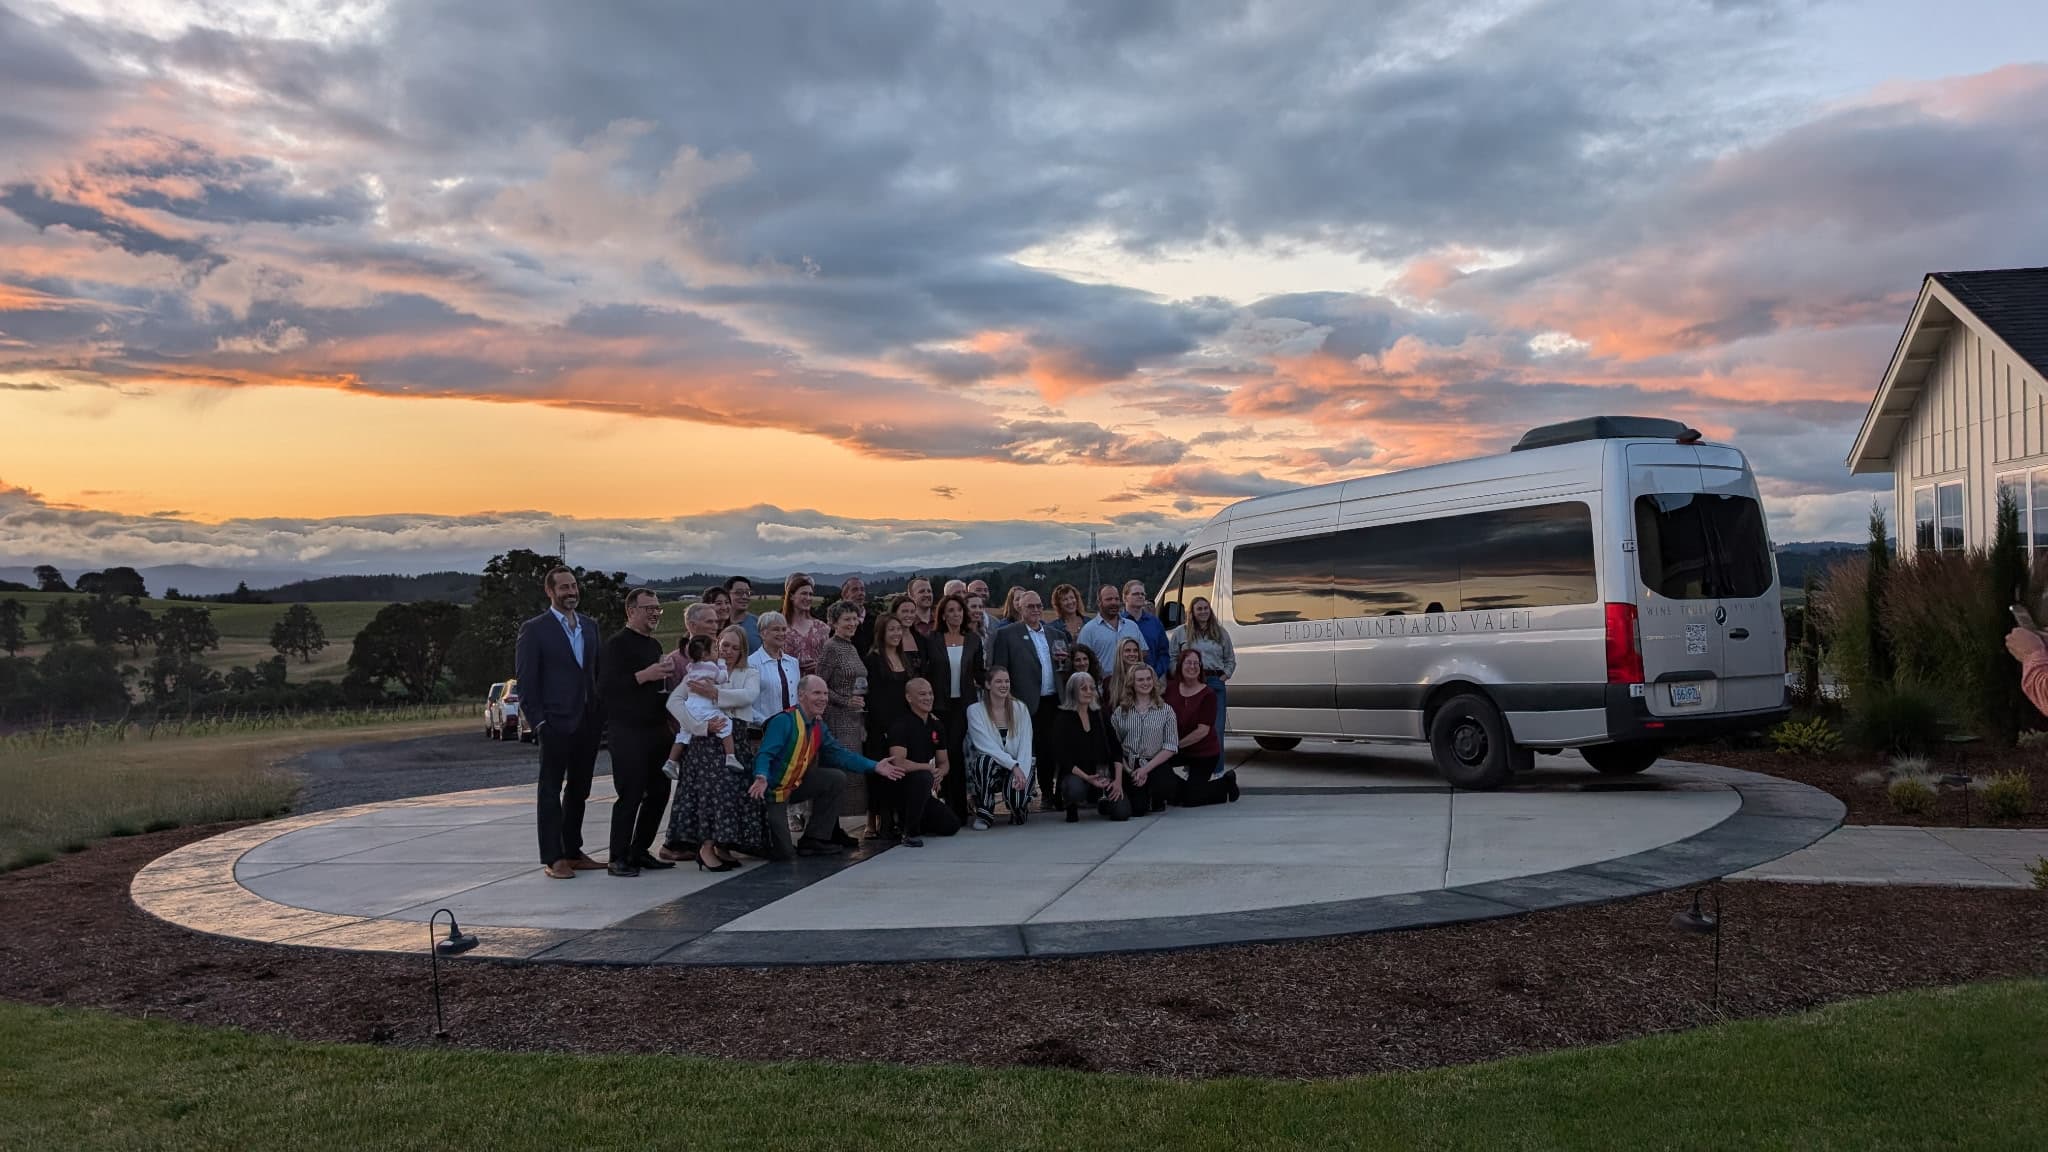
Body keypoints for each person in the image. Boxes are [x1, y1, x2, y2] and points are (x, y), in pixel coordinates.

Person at [751, 675, 908, 858]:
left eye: (825, 693)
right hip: (770, 792)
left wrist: (874, 766)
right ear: (801, 695)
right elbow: (765, 754)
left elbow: (839, 754)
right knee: (785, 854)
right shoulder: (784, 721)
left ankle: (814, 838)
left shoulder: (818, 725)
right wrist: (761, 776)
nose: (823, 698)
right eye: (817, 693)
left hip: (793, 787)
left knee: (835, 778)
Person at [514, 566, 606, 880]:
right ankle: (554, 858)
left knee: (580, 789)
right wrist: (539, 722)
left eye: (574, 586)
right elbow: (526, 682)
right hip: (554, 722)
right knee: (550, 791)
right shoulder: (535, 629)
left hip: (587, 722)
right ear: (550, 592)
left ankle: (573, 850)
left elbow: (595, 674)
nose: (571, 592)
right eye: (564, 587)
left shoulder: (590, 626)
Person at [662, 625, 766, 867]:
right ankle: (706, 847)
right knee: (714, 793)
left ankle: (723, 844)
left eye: (734, 647)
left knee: (733, 793)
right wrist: (699, 726)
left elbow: (748, 695)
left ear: (742, 650)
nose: (728, 651)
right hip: (705, 744)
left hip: (735, 737)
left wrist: (714, 693)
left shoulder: (748, 672)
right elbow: (674, 702)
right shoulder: (698, 672)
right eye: (724, 646)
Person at [596, 588, 678, 877]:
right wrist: (645, 676)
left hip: (656, 729)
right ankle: (617, 857)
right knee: (630, 794)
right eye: (649, 608)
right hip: (628, 731)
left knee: (659, 792)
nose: (655, 613)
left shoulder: (653, 645)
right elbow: (605, 688)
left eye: (658, 608)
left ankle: (640, 849)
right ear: (631, 611)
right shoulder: (616, 645)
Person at [990, 589, 1069, 806]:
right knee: (1024, 751)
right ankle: (1019, 795)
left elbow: (1066, 668)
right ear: (1019, 608)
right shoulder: (1007, 634)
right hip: (1023, 702)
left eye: (1038, 606)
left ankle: (1051, 794)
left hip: (1054, 700)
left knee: (1052, 749)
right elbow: (1000, 670)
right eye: (1030, 606)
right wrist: (1007, 700)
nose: (1035, 610)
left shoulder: (1056, 635)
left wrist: (1065, 661)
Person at [922, 592, 985, 821]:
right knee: (942, 754)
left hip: (964, 705)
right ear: (943, 615)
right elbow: (926, 672)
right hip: (939, 705)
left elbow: (979, 671)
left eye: (959, 610)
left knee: (956, 753)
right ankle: (946, 804)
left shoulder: (973, 639)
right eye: (950, 610)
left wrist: (998, 680)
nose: (956, 614)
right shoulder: (933, 639)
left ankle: (959, 806)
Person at [884, 678, 965, 846]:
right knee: (922, 777)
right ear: (909, 698)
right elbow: (897, 763)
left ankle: (917, 821)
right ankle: (909, 832)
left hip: (925, 788)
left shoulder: (936, 725)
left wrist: (939, 773)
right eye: (922, 694)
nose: (928, 698)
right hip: (902, 786)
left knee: (952, 825)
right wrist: (928, 768)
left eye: (930, 693)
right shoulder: (901, 724)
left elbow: (944, 763)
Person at [1048, 671, 1132, 822]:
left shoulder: (1100, 713)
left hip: (1103, 773)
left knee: (1122, 813)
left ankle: (1104, 802)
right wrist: (1087, 778)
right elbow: (1062, 757)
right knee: (1074, 789)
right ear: (1073, 691)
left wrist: (1118, 781)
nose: (1088, 692)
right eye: (1083, 688)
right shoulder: (1062, 718)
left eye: (1091, 688)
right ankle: (1071, 806)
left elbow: (1116, 748)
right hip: (1077, 774)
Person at [1167, 647, 1239, 806]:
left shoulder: (1208, 694)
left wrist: (1173, 747)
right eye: (1188, 663)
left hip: (1203, 753)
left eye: (1196, 664)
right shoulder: (1170, 689)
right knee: (1159, 768)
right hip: (1178, 748)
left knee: (1190, 800)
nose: (1192, 667)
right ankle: (1180, 791)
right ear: (1180, 665)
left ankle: (1225, 783)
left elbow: (1202, 731)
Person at [965, 665, 1034, 828]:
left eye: (1007, 681)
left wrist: (1021, 772)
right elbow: (985, 746)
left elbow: (1026, 745)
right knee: (983, 761)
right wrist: (1013, 766)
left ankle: (1019, 808)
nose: (1004, 685)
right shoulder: (975, 710)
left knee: (1017, 802)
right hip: (994, 767)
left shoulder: (1020, 708)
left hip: (1019, 766)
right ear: (988, 685)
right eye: (998, 682)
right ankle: (985, 813)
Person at [1112, 663, 1178, 816]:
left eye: (1148, 679)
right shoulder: (1121, 712)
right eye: (1140, 680)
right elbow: (1115, 746)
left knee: (1167, 787)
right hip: (1129, 764)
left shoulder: (1166, 710)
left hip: (1154, 762)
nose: (1145, 683)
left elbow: (1170, 746)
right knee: (1138, 810)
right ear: (1132, 683)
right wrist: (1131, 771)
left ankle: (1156, 796)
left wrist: (1145, 769)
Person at [1172, 595, 1236, 746]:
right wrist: (1179, 676)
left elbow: (1230, 659)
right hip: (1190, 683)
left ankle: (1218, 769)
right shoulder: (1181, 632)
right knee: (1191, 727)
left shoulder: (1220, 632)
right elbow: (1173, 656)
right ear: (1192, 612)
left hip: (1214, 681)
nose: (1203, 612)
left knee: (1216, 728)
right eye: (1199, 609)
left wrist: (1224, 676)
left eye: (1206, 608)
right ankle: (1191, 767)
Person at [674, 633, 743, 772]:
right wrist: (722, 663)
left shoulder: (691, 666)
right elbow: (723, 678)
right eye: (715, 649)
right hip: (704, 706)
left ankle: (671, 761)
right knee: (725, 724)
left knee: (683, 734)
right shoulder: (711, 667)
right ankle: (730, 756)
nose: (719, 652)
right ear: (705, 654)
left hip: (690, 706)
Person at [819, 601, 868, 759]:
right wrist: (845, 701)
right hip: (836, 721)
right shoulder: (830, 647)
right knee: (845, 770)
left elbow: (859, 683)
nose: (852, 623)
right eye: (847, 619)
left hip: (855, 719)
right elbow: (819, 686)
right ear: (834, 623)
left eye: (855, 619)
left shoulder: (852, 648)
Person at [1077, 583, 1148, 673]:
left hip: (1130, 683)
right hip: (1103, 684)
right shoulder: (1088, 630)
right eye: (1109, 599)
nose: (1113, 602)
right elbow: (1081, 661)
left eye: (1116, 599)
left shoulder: (1132, 626)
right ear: (1099, 602)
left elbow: (1143, 652)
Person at [747, 611, 803, 722]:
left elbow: (797, 697)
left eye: (783, 629)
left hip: (792, 728)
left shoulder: (793, 662)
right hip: (762, 730)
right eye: (776, 629)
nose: (782, 633)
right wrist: (766, 723)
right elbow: (746, 703)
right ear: (763, 633)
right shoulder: (751, 663)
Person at [782, 573, 828, 677]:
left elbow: (831, 662)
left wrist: (820, 666)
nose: (808, 598)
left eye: (810, 594)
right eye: (804, 593)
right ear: (791, 596)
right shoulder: (779, 626)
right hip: (786, 684)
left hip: (815, 685)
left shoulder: (822, 628)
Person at [1125, 580, 1172, 680]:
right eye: (1136, 594)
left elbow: (1164, 653)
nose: (1140, 596)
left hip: (1151, 680)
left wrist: (1155, 673)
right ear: (1125, 597)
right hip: (1124, 680)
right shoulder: (1119, 623)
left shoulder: (1155, 623)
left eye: (1143, 594)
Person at [1103, 636, 1146, 719]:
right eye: (1127, 650)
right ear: (1120, 654)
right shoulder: (1108, 682)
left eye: (1135, 650)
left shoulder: (1147, 678)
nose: (1132, 654)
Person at [725, 575, 760, 653]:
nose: (744, 597)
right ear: (727, 595)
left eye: (748, 593)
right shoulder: (717, 623)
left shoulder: (758, 624)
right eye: (739, 593)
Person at [841, 576, 875, 653]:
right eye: (855, 590)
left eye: (862, 590)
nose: (860, 593)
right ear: (844, 595)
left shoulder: (875, 621)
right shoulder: (836, 623)